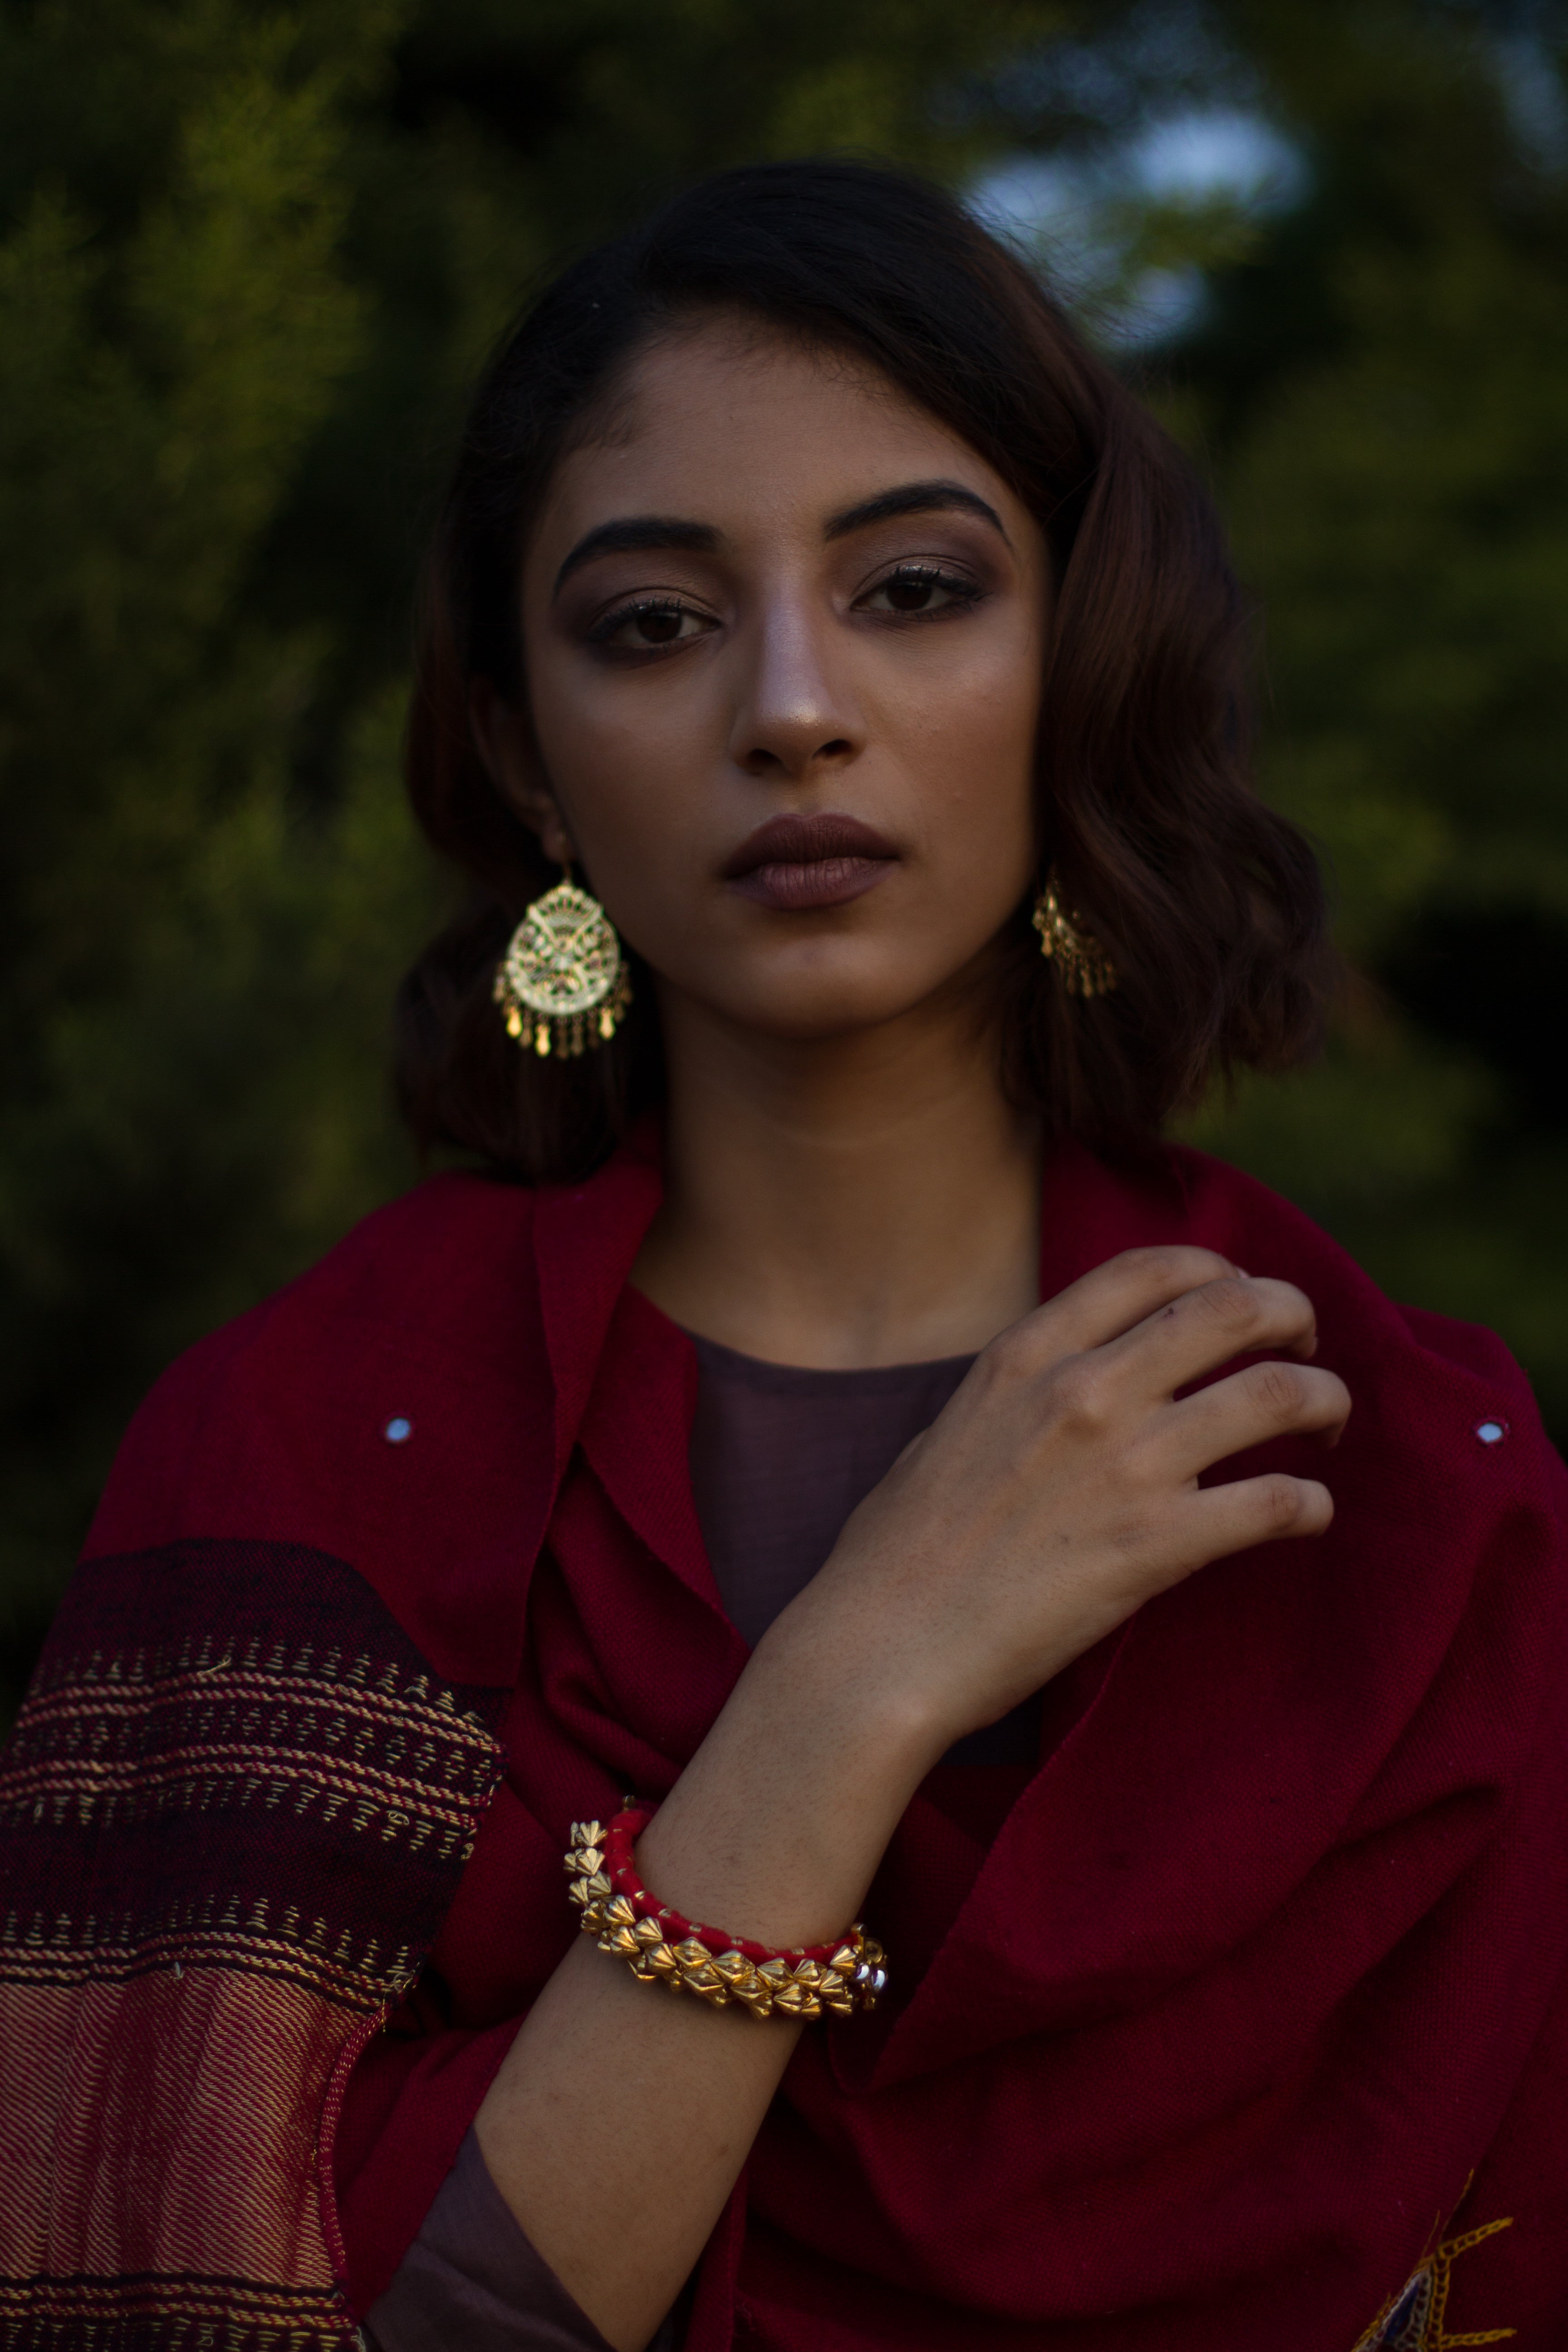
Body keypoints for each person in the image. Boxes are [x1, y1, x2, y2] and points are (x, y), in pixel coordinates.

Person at [2, 159, 1565, 2352]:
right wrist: (854, 1685)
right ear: (532, 765)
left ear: (1078, 657)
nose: (795, 706)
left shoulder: (1413, 1475)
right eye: (654, 622)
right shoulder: (297, 1453)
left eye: (919, 588)